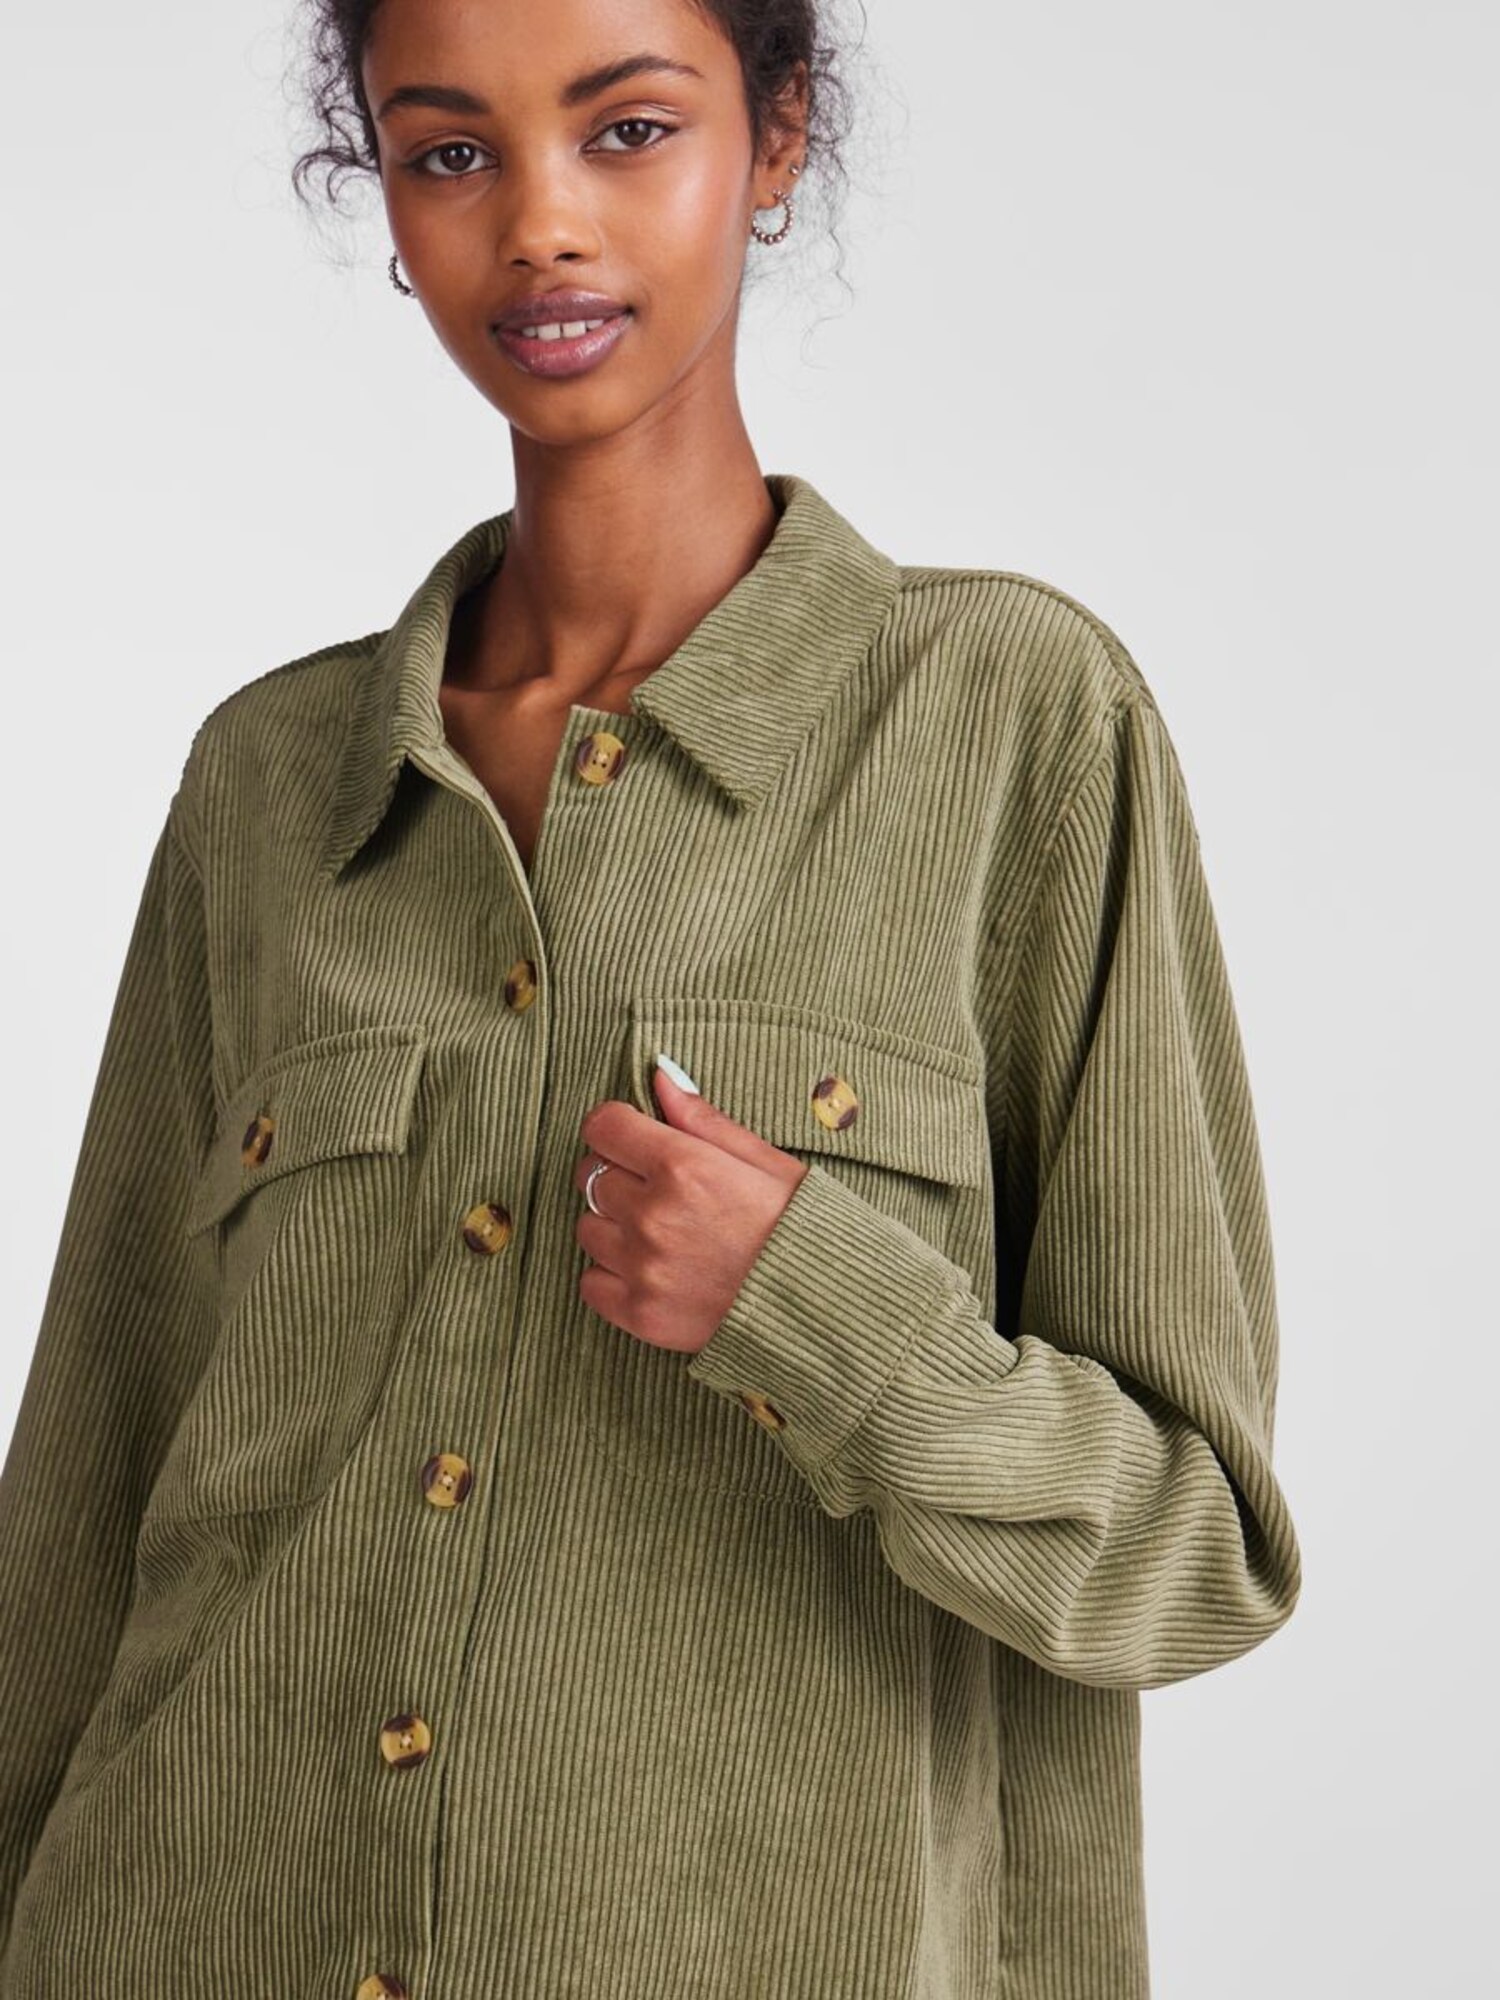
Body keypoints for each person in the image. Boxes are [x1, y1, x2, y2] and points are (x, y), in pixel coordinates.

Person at [0, 0, 1303, 1994]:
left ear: (775, 138)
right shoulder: (269, 784)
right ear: (381, 187)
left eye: (625, 130)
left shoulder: (1020, 727)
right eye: (451, 152)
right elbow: (81, 1526)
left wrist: (816, 1303)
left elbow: (1194, 1557)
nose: (539, 224)